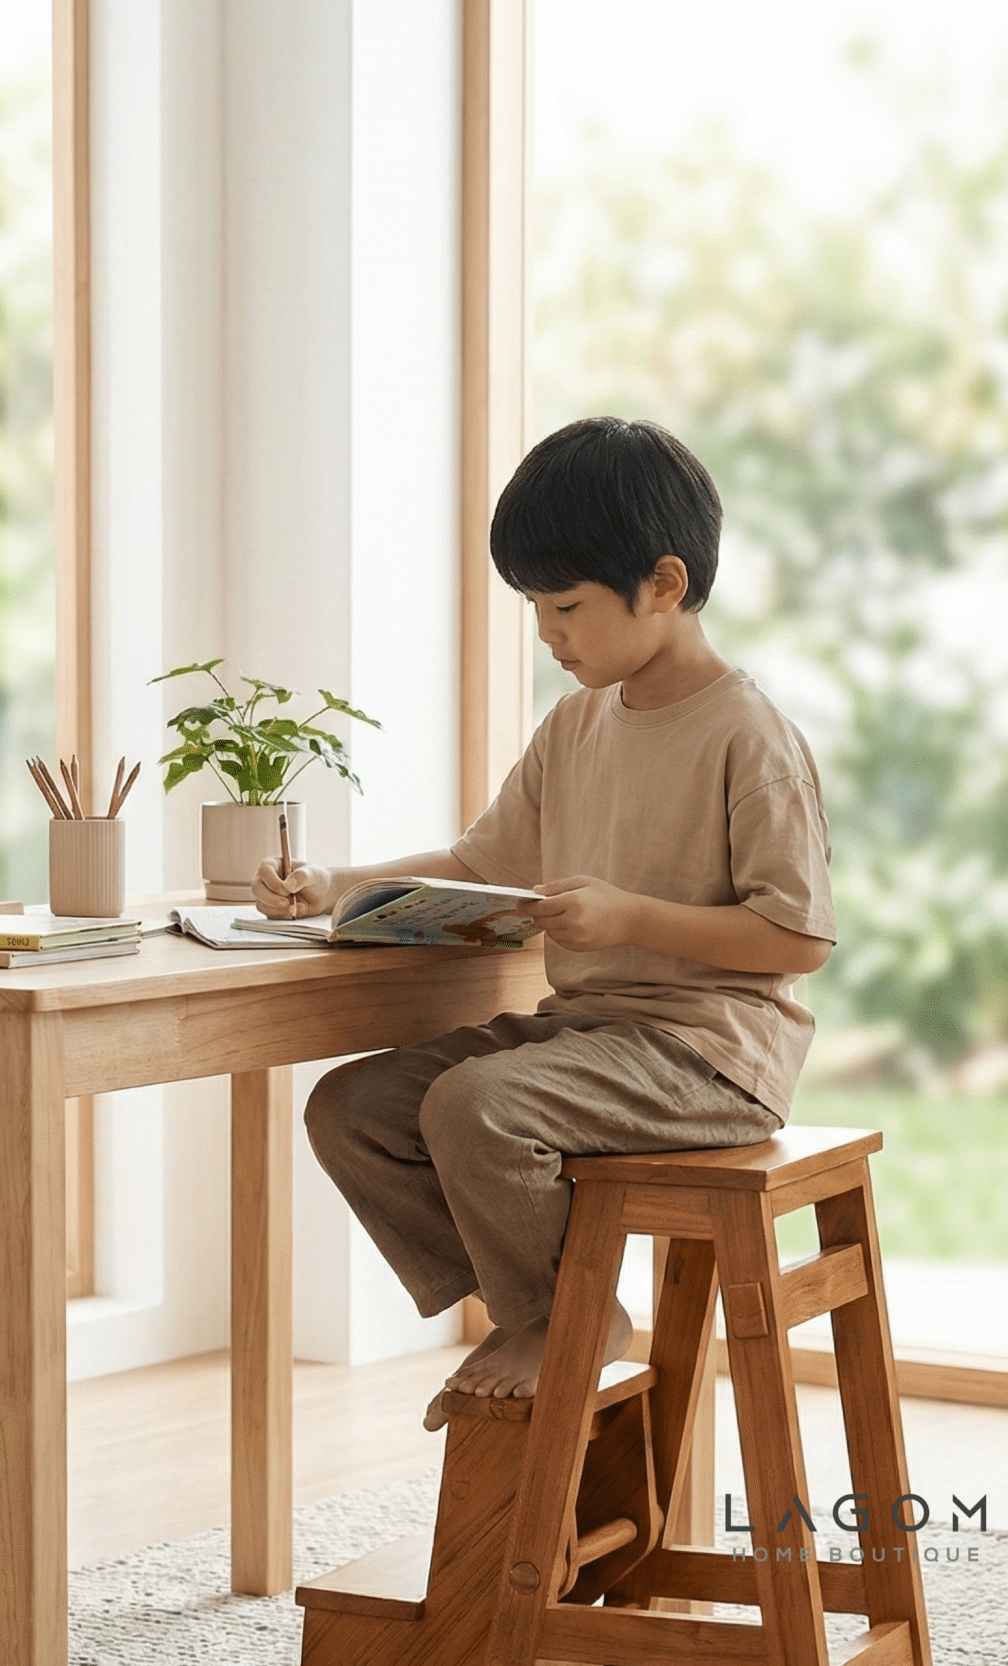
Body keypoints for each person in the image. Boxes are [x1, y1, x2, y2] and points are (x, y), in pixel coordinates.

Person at [253, 417, 835, 1428]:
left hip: (708, 1055)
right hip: (588, 1041)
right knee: (349, 1108)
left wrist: (630, 918)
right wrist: (338, 883)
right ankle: (535, 1302)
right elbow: (482, 865)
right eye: (531, 606)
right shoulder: (572, 724)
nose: (546, 633)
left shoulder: (748, 734)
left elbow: (798, 938)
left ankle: (556, 1313)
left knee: (477, 1105)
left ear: (662, 582)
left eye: (563, 604)